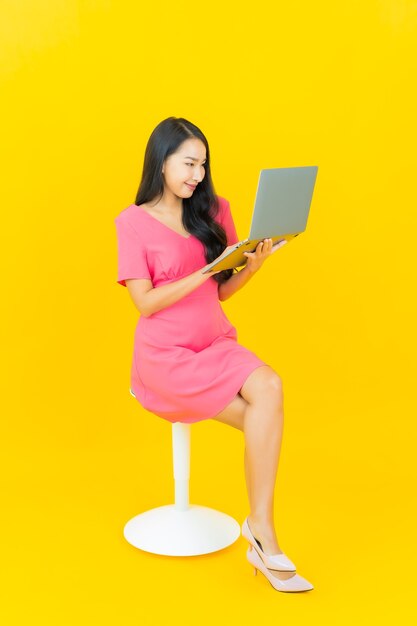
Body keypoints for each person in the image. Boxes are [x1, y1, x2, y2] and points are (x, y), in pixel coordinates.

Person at [114, 116, 313, 593]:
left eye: (203, 165)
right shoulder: (132, 222)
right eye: (188, 163)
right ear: (161, 161)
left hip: (215, 343)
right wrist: (206, 271)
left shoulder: (215, 210)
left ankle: (260, 531)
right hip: (166, 358)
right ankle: (265, 544)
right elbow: (144, 302)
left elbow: (222, 293)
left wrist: (254, 263)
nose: (197, 175)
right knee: (264, 417)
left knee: (270, 386)